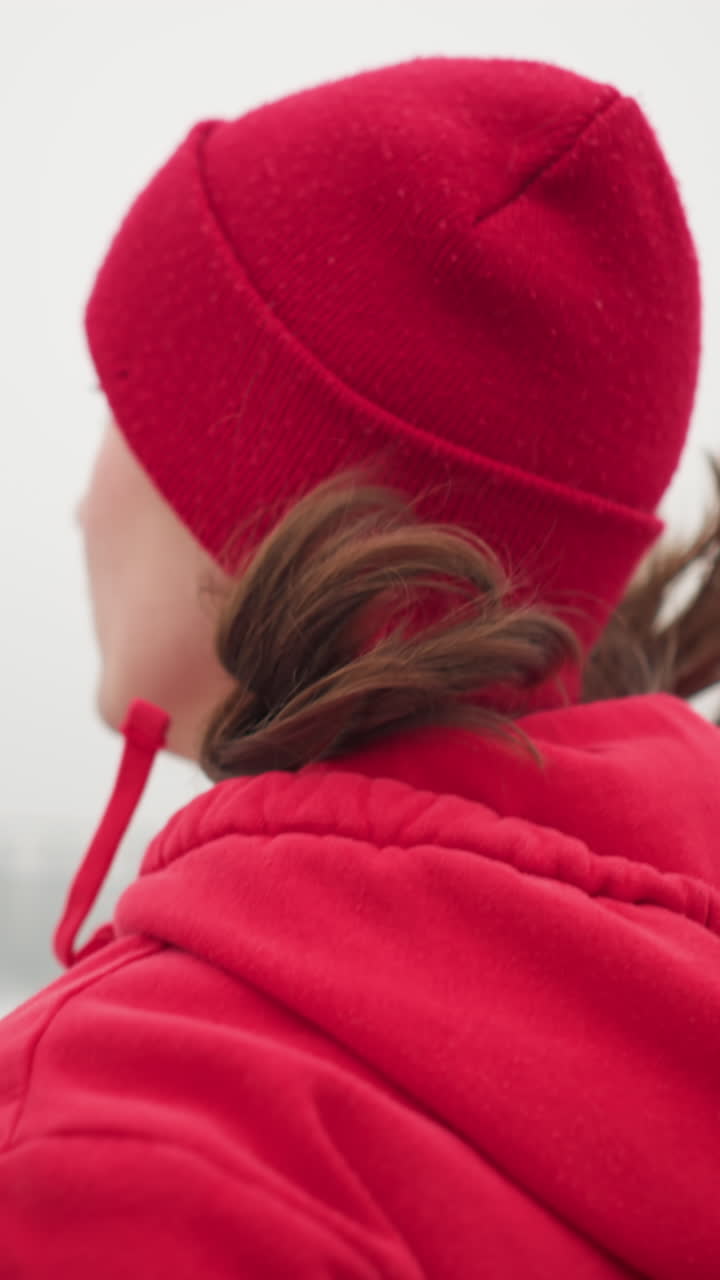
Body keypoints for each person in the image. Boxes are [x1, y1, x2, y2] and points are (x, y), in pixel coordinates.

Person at [1, 53, 718, 1278]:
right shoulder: (664, 1003)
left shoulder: (117, 1141)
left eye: (118, 396)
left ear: (262, 504)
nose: (79, 505)